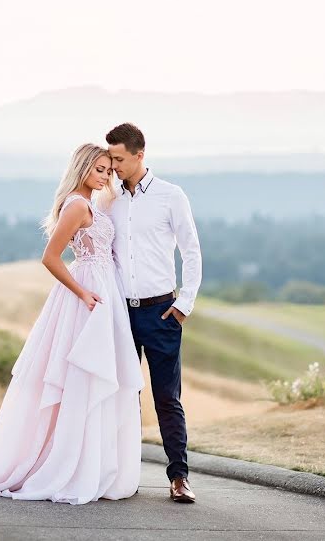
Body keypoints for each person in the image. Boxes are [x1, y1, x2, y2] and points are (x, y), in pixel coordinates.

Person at [0, 143, 144, 505]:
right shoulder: (77, 205)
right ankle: (68, 467)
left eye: (109, 170)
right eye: (99, 169)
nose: (105, 175)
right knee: (82, 376)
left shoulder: (91, 203)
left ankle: (91, 465)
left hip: (104, 291)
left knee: (96, 378)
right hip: (88, 296)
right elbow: (50, 257)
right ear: (82, 169)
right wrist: (82, 293)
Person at [106, 123, 203, 503]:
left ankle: (179, 477)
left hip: (161, 312)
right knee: (123, 395)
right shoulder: (109, 199)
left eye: (119, 158)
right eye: (110, 158)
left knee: (166, 397)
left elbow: (191, 251)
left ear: (139, 154)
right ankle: (118, 475)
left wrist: (184, 305)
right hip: (119, 314)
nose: (113, 166)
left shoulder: (170, 196)